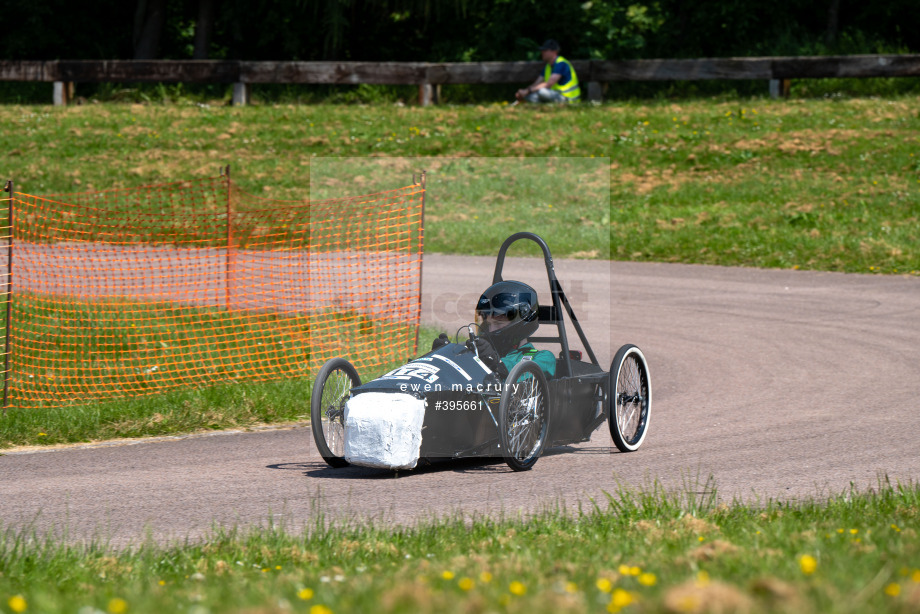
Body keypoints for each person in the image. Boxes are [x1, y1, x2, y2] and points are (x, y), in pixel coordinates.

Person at [431, 280, 556, 379]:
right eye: (487, 324)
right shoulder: (477, 352)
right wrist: (443, 356)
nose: (490, 330)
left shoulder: (542, 358)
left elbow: (525, 374)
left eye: (497, 323)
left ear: (520, 323)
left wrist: (497, 364)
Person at [515, 39, 580, 104]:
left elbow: (548, 84)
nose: (542, 52)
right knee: (530, 96)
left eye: (545, 50)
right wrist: (524, 92)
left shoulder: (561, 64)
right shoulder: (548, 66)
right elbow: (536, 83)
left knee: (542, 92)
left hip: (569, 99)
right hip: (555, 95)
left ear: (554, 51)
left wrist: (528, 91)